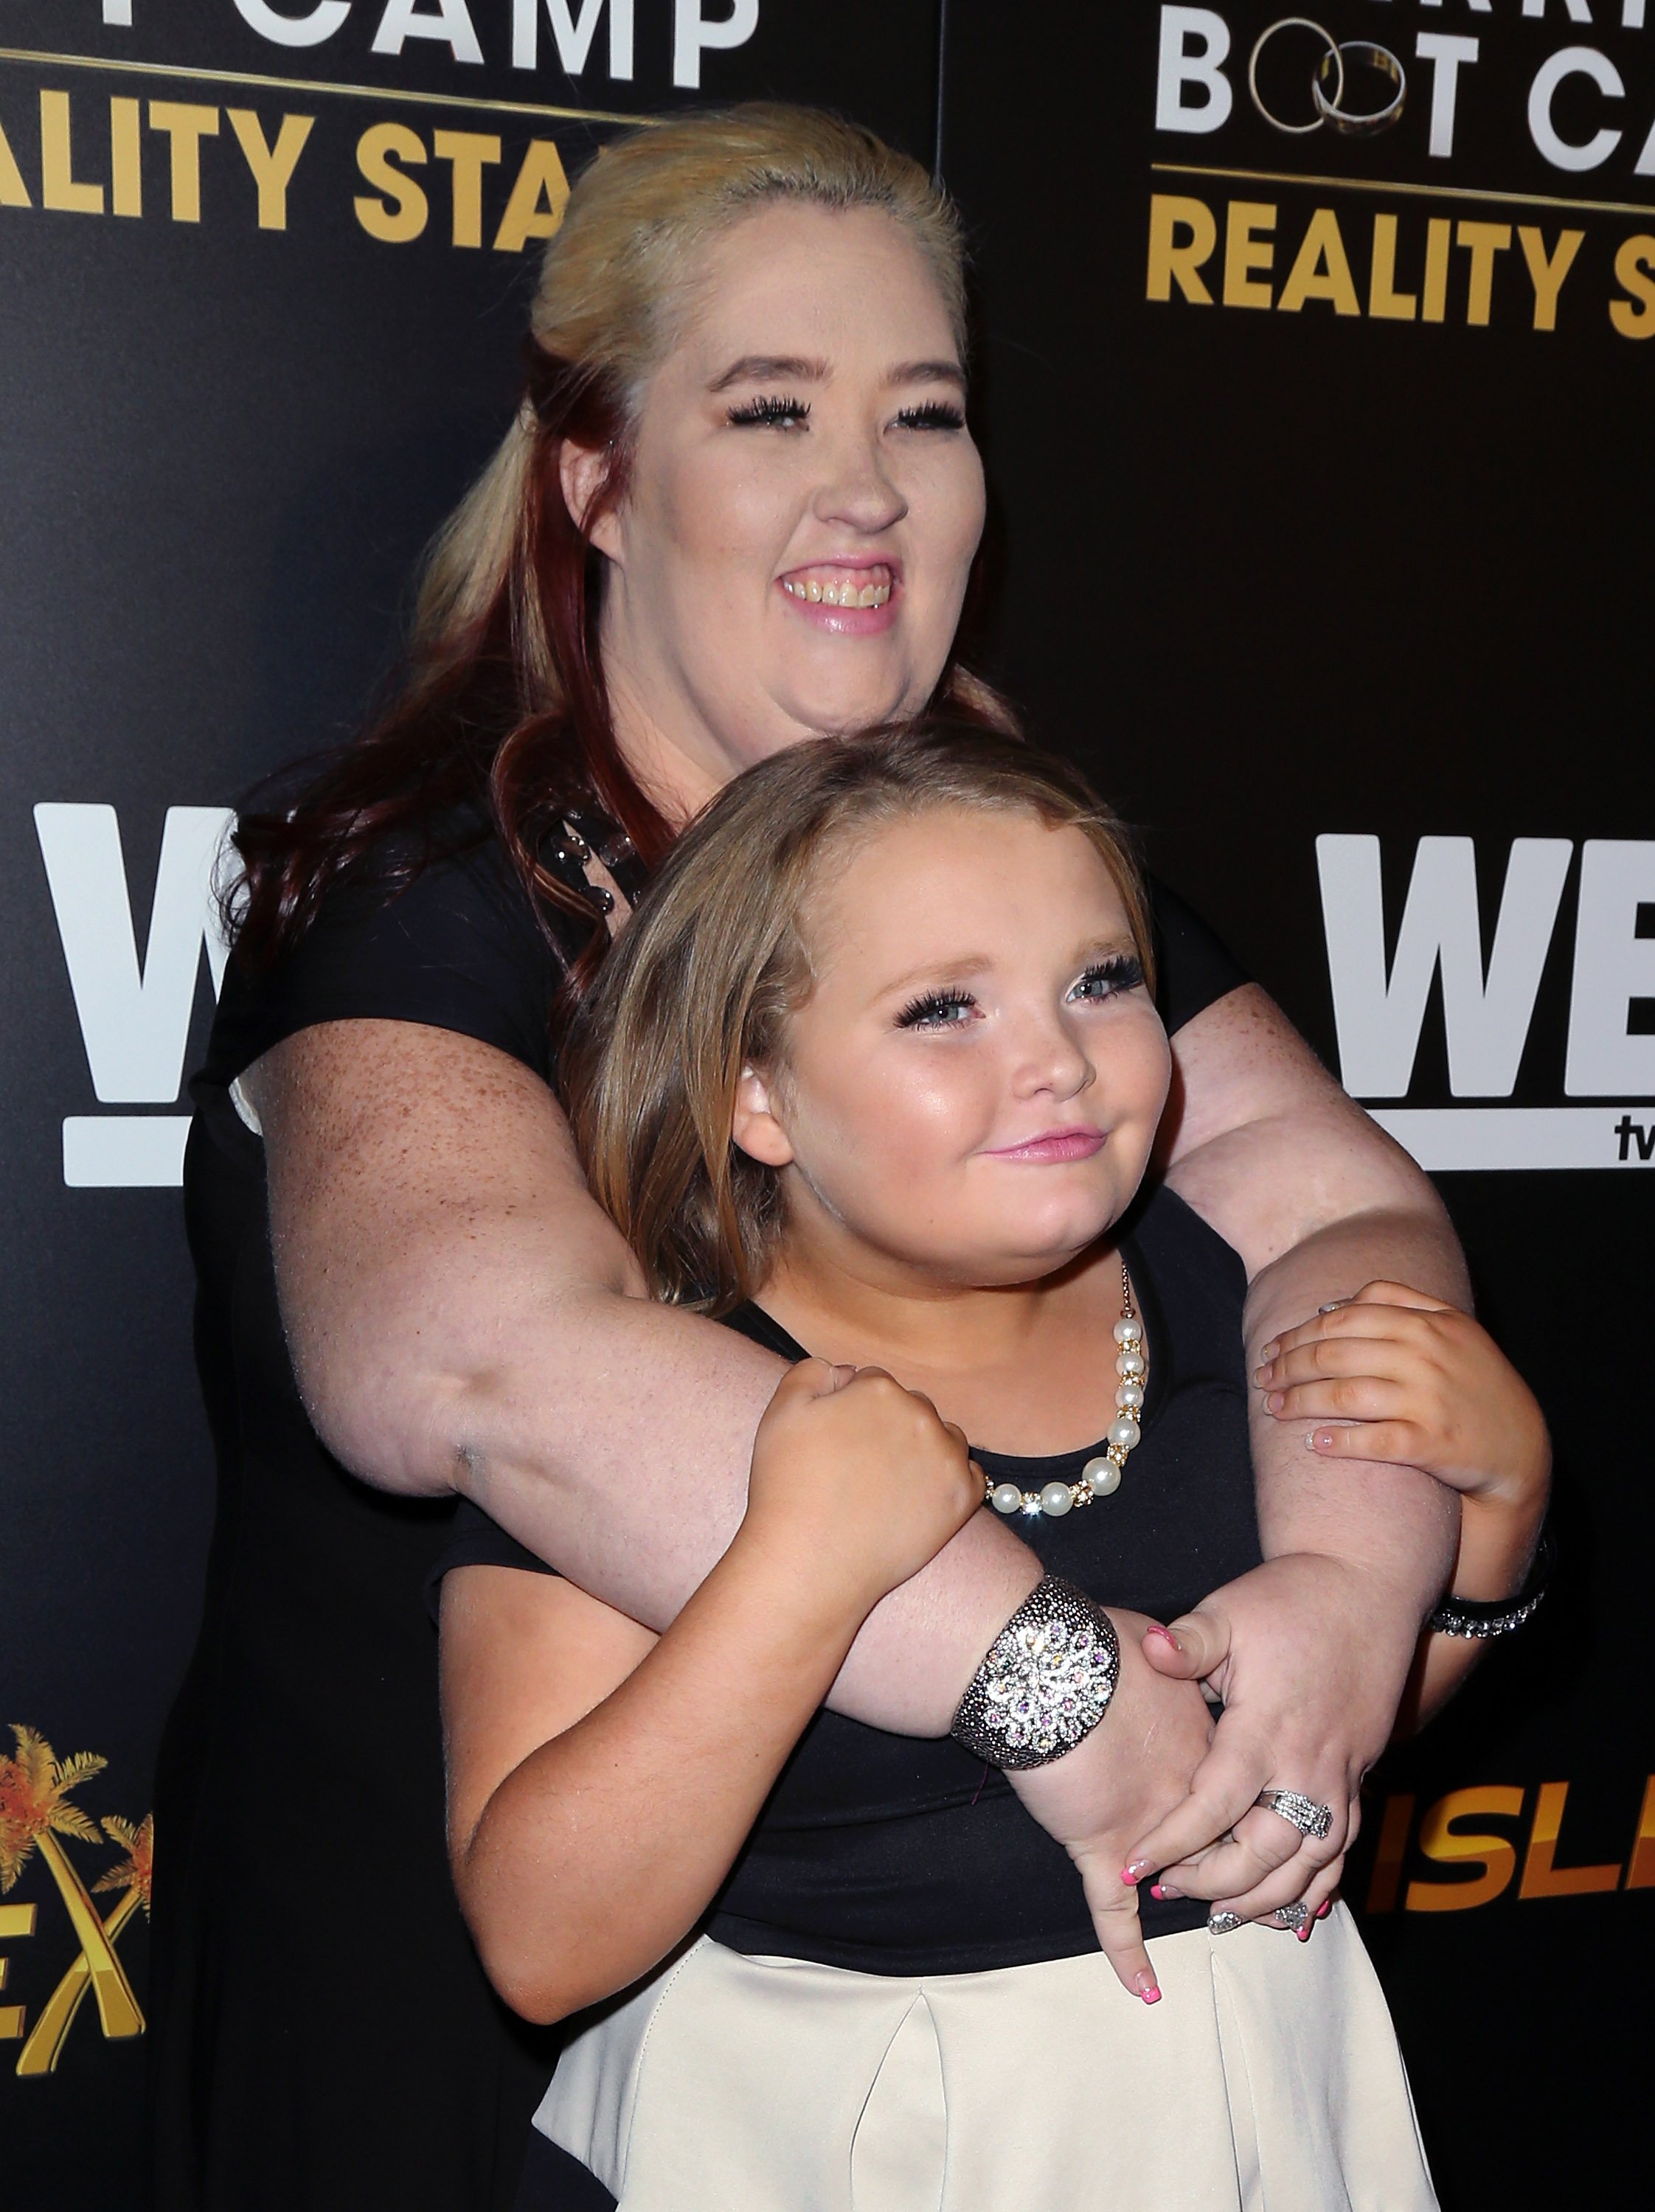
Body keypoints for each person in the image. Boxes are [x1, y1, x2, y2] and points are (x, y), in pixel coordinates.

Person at [151, 107, 1521, 2211]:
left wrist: (1351, 1592)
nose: (866, 485)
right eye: (770, 407)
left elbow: (1333, 1206)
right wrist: (1056, 1682)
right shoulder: (414, 895)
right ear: (599, 475)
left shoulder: (995, 859)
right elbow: (477, 1361)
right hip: (486, 2019)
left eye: (926, 411)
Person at [436, 726, 1551, 2209]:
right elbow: (541, 1938)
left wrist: (1493, 1526)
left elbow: (1299, 1754)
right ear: (753, 1090)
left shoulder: (1253, 1306)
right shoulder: (661, 1413)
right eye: (942, 1008)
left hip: (1249, 2108)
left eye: (1103, 981)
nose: (1058, 1060)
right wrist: (798, 1571)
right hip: (815, 2141)